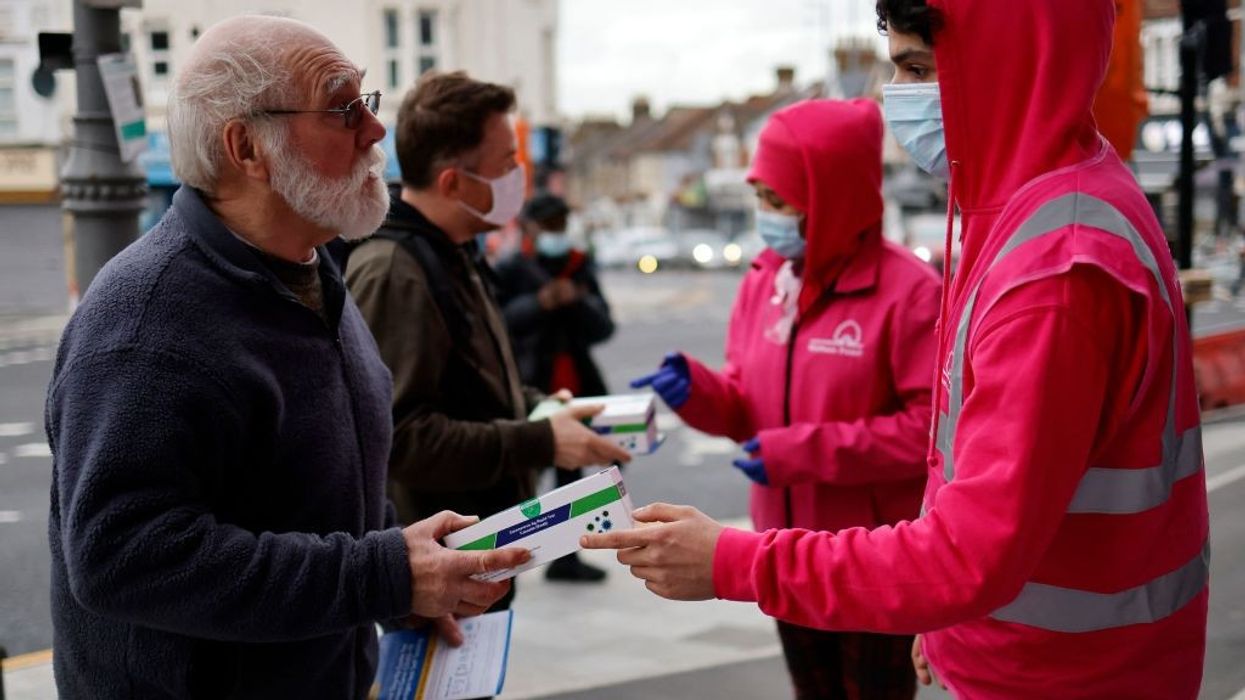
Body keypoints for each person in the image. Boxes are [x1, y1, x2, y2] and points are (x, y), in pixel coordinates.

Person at [584, 1, 1210, 698]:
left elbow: (969, 551)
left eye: (919, 69)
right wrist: (947, 626)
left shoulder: (1053, 271)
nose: (900, 100)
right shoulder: (1033, 211)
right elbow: (981, 494)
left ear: (1009, 63)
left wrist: (736, 563)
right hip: (1023, 649)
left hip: (1062, 674)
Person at [46, 17, 528, 699]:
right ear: (247, 146)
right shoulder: (146, 317)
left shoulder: (311, 272)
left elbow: (312, 501)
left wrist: (405, 582)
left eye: (367, 102)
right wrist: (381, 574)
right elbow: (121, 556)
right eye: (342, 108)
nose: (374, 131)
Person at [630, 98, 939, 699]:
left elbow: (929, 431)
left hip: (868, 555)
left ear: (831, 197)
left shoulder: (910, 293)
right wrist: (700, 392)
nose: (763, 215)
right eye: (760, 196)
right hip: (781, 547)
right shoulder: (766, 280)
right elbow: (749, 407)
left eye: (777, 200)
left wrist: (802, 452)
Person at [344, 72, 631, 606]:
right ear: (453, 182)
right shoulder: (395, 271)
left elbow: (471, 387)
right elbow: (400, 438)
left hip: (477, 556)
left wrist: (542, 409)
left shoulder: (455, 253)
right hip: (437, 573)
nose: (518, 177)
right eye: (505, 165)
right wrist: (540, 441)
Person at [493, 193, 617, 583]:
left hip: (574, 381)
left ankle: (566, 558)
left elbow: (604, 327)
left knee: (571, 473)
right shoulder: (513, 267)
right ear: (530, 228)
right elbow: (498, 323)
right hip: (530, 383)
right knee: (523, 474)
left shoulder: (580, 265)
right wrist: (539, 303)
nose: (555, 233)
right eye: (548, 225)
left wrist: (577, 301)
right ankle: (504, 554)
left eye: (560, 224)